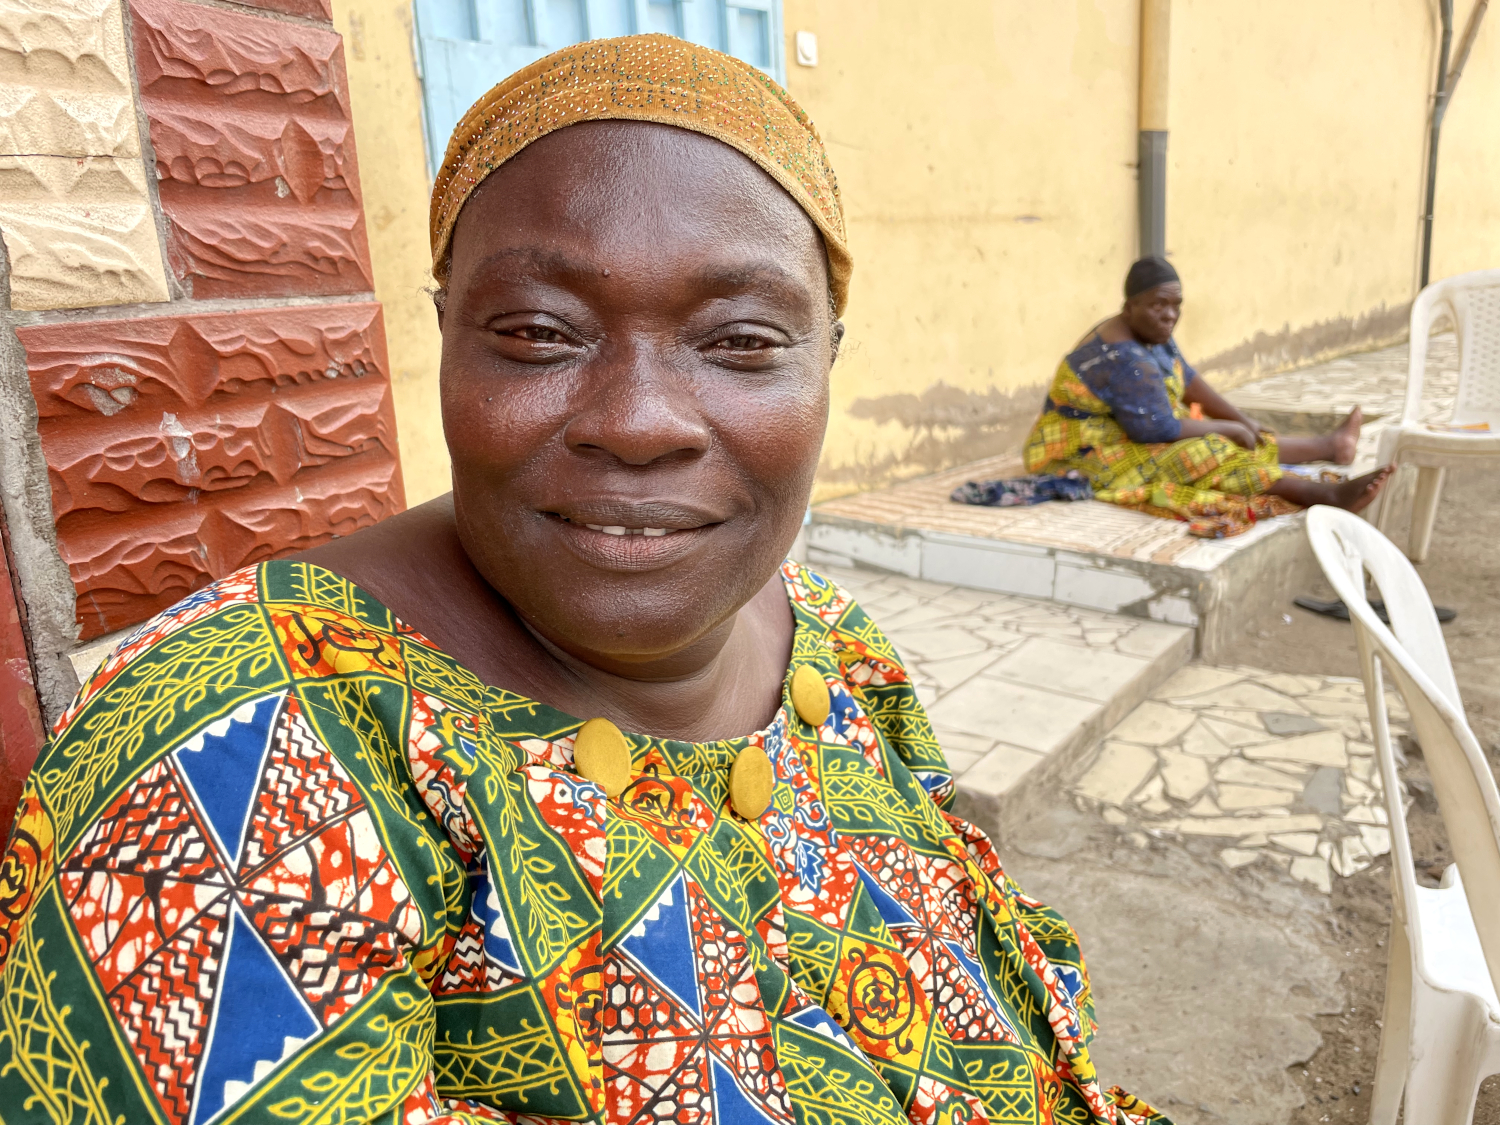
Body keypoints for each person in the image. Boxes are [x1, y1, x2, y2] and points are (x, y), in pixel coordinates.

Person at [0, 36, 1170, 1125]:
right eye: (541, 333)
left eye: (744, 341)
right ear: (449, 334)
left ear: (828, 364)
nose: (642, 423)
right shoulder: (232, 765)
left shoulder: (828, 640)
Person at [1023, 257, 1391, 535]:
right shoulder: (1125, 358)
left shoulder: (1151, 333)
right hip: (1074, 451)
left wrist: (1242, 421)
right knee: (1206, 449)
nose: (1169, 315)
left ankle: (1330, 447)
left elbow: (1188, 380)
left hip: (1120, 430)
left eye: (1176, 305)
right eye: (1158, 305)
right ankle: (1321, 494)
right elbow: (1156, 430)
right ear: (1128, 307)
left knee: (1232, 434)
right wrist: (1226, 429)